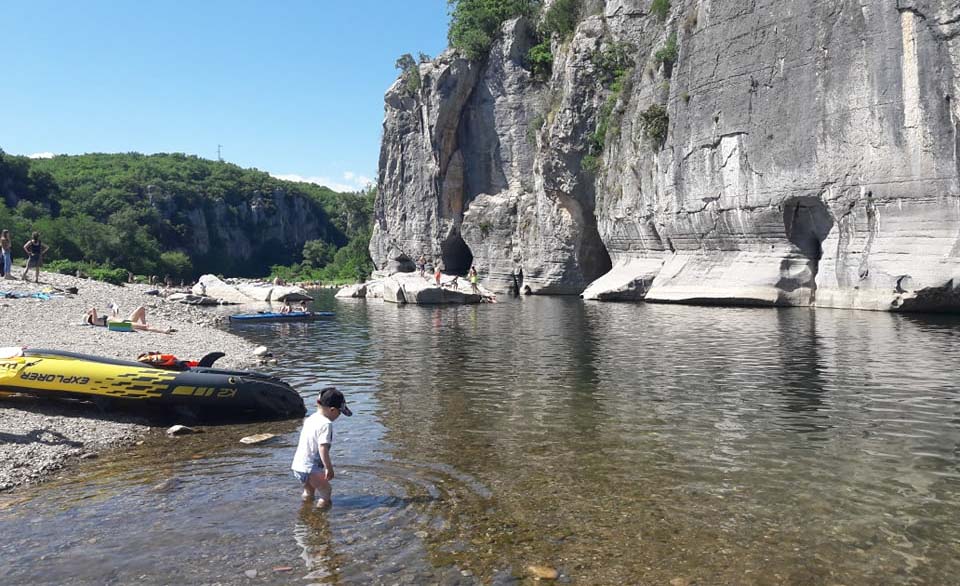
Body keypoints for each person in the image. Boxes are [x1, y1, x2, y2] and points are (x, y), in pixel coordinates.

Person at [291, 387, 352, 509]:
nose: (339, 415)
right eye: (340, 412)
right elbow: (322, 448)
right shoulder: (326, 424)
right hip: (311, 467)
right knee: (326, 492)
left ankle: (306, 511)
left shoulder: (311, 418)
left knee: (309, 491)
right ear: (333, 410)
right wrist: (329, 468)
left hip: (298, 465)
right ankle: (319, 518)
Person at [84, 306, 175, 334]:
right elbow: (94, 309)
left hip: (124, 320)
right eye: (90, 316)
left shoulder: (99, 320)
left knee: (141, 309)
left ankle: (144, 325)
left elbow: (113, 318)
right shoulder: (95, 321)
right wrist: (89, 312)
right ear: (90, 320)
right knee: (146, 327)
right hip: (123, 323)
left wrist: (114, 312)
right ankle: (164, 331)